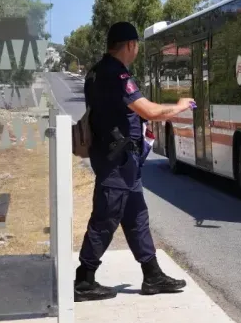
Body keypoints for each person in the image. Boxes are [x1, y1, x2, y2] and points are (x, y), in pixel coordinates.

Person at [75, 21, 195, 302]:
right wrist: (179, 106)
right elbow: (149, 111)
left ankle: (152, 275)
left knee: (136, 216)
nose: (137, 49)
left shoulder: (95, 71)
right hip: (116, 161)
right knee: (105, 218)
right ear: (130, 45)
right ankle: (84, 279)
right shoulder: (115, 74)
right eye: (137, 45)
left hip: (121, 160)